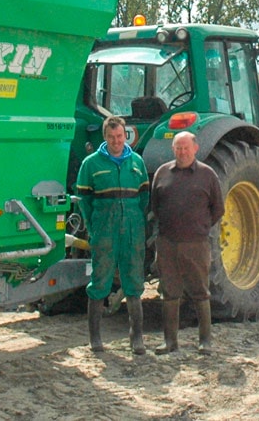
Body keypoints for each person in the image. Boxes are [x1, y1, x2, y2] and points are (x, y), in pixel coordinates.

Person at [75, 116, 150, 354]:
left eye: (120, 137)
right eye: (111, 137)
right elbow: (84, 201)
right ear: (105, 137)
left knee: (134, 282)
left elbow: (144, 198)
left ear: (125, 136)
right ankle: (95, 338)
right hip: (104, 229)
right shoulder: (91, 164)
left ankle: (136, 338)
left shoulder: (137, 163)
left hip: (132, 230)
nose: (116, 141)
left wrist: (136, 223)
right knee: (99, 282)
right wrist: (94, 227)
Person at [151, 131, 224, 355]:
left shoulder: (207, 175)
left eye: (186, 148)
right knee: (170, 292)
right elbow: (155, 205)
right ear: (173, 150)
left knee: (200, 292)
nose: (182, 152)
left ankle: (205, 341)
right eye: (178, 148)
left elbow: (218, 209)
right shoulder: (162, 173)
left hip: (196, 244)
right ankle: (170, 341)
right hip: (167, 243)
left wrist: (199, 227)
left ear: (195, 149)